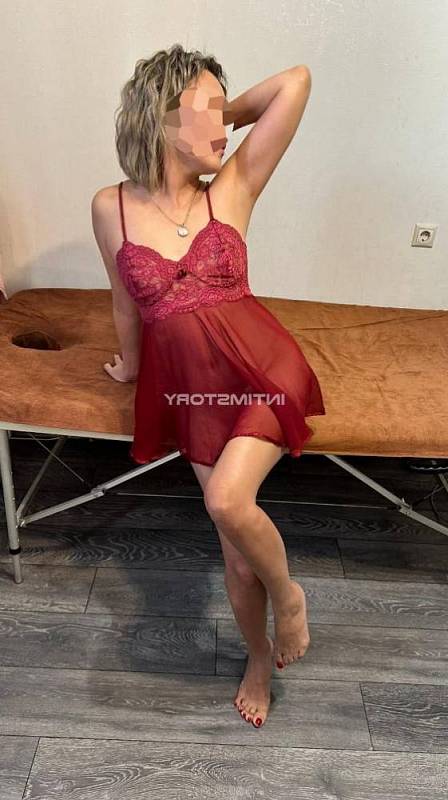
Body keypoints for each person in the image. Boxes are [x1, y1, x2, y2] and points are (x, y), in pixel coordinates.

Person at [91, 43, 326, 729]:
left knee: (226, 500)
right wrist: (131, 367)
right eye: (207, 110)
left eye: (227, 112)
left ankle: (290, 599)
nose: (223, 125)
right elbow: (124, 302)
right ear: (159, 115)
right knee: (235, 554)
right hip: (195, 396)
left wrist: (217, 115)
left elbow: (295, 82)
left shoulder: (233, 187)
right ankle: (258, 660)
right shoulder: (111, 207)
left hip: (264, 372)